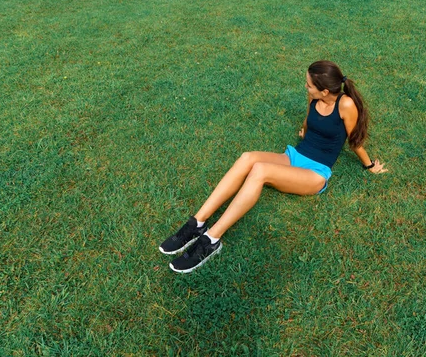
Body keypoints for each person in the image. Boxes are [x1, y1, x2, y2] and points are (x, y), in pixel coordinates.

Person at [159, 60, 387, 273]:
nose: (306, 88)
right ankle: (197, 223)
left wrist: (369, 165)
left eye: (309, 85)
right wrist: (305, 132)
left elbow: (355, 140)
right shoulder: (315, 98)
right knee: (248, 158)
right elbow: (309, 119)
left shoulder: (346, 104)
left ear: (325, 91)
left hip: (315, 172)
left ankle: (212, 240)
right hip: (295, 156)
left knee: (260, 170)